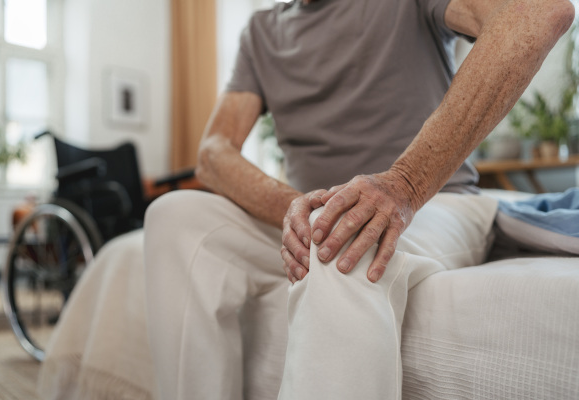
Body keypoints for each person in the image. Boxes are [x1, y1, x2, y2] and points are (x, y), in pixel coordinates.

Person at [143, 0, 574, 399]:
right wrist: (297, 207)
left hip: (438, 202)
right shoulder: (261, 31)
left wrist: (402, 186)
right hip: (314, 211)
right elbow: (213, 151)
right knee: (174, 215)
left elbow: (535, 13)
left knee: (345, 240)